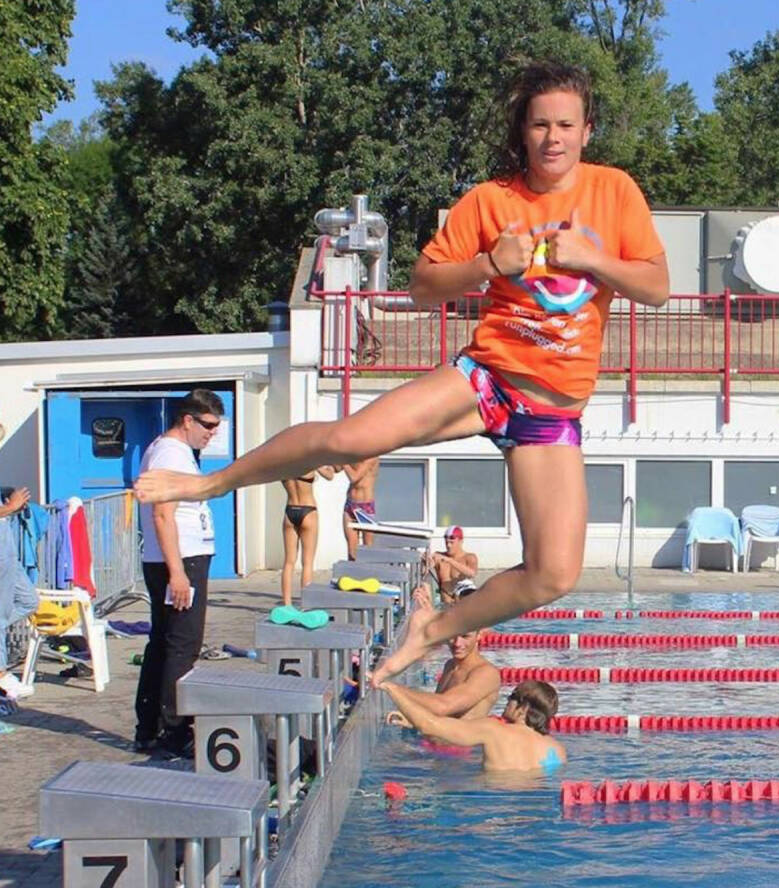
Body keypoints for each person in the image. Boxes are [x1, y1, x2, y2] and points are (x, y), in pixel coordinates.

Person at [133, 60, 668, 689]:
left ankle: (432, 629)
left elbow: (656, 285)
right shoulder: (491, 200)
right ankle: (209, 484)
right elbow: (421, 287)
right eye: (540, 124)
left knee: (554, 575)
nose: (553, 138)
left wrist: (595, 257)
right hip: (487, 378)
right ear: (522, 131)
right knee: (350, 438)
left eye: (566, 125)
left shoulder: (614, 192)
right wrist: (487, 265)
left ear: (587, 130)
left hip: (550, 413)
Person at [133, 389, 224, 756]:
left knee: (164, 642)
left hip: (180, 559)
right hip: (179, 561)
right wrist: (177, 572)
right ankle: (174, 729)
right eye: (207, 426)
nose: (212, 433)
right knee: (182, 645)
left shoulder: (174, 451)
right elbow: (162, 514)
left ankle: (151, 727)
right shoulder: (170, 452)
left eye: (217, 427)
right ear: (187, 420)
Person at [383, 678, 565, 773]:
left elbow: (429, 725)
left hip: (491, 804)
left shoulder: (493, 730)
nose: (507, 700)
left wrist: (391, 689)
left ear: (523, 707)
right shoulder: (557, 750)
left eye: (512, 697)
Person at [386, 586, 499, 728]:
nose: (457, 643)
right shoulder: (450, 665)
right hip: (436, 744)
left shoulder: (486, 674)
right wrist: (412, 721)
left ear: (479, 635)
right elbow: (437, 715)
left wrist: (391, 687)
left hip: (461, 749)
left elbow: (443, 706)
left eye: (465, 636)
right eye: (452, 636)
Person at [0, 488, 38, 700]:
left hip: (8, 555)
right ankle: (1, 673)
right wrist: (10, 507)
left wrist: (10, 506)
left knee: (29, 601)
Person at [280, 466, 335, 605]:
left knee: (288, 562)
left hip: (290, 510)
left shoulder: (281, 463)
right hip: (308, 510)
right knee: (308, 563)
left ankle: (287, 604)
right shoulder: (309, 460)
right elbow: (330, 475)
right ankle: (306, 604)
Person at [340, 457, 380, 559]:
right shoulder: (353, 455)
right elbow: (333, 471)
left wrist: (344, 462)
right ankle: (353, 573)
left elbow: (354, 477)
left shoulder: (372, 457)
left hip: (365, 506)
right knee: (351, 548)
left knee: (368, 548)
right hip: (350, 505)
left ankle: (368, 573)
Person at [432, 526, 478, 606]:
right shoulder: (439, 557)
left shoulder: (469, 557)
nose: (448, 546)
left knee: (469, 592)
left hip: (464, 596)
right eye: (446, 543)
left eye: (451, 543)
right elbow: (426, 568)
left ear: (461, 541)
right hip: (445, 601)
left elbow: (472, 574)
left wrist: (450, 561)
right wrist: (426, 560)